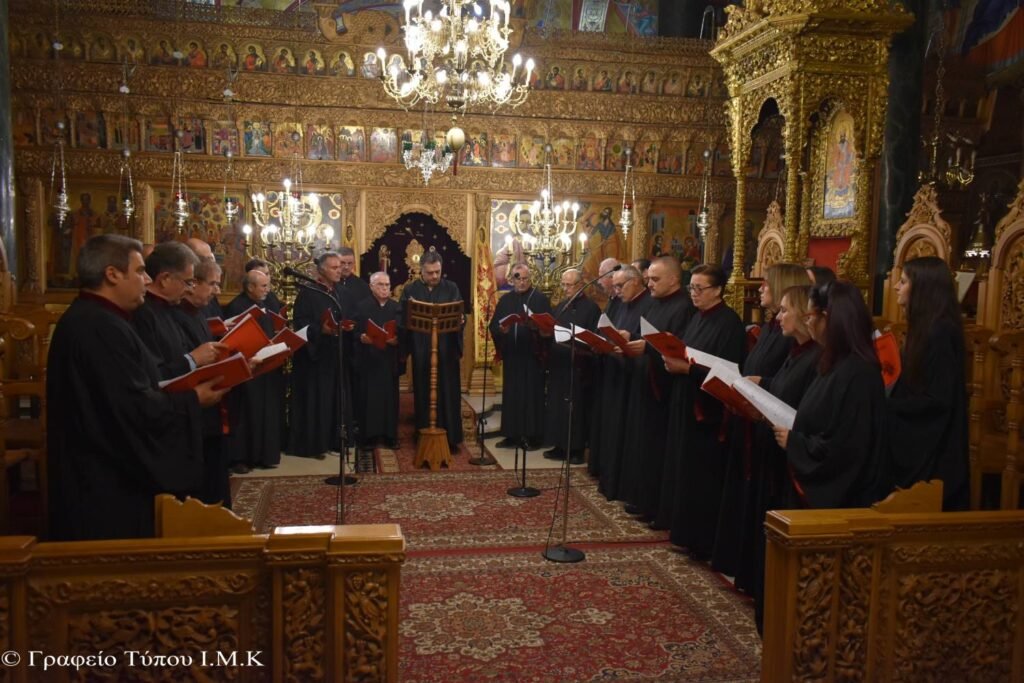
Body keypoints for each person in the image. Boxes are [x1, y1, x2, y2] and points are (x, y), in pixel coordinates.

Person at [47, 235, 227, 541]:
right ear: (112, 274)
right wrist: (193, 399)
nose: (147, 280)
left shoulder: (103, 319)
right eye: (140, 271)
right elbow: (133, 408)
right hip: (103, 482)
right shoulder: (98, 327)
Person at [712, 262, 807, 575]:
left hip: (771, 429)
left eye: (767, 283)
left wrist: (759, 385)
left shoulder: (789, 337)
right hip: (752, 422)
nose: (761, 287)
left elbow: (782, 384)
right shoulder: (771, 328)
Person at [744, 285, 822, 630]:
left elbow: (805, 407)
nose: (778, 316)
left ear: (806, 315)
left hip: (791, 458)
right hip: (776, 450)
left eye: (785, 310)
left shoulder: (817, 357)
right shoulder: (797, 350)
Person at [773, 281, 890, 508]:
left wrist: (795, 444)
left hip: (845, 503)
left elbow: (847, 447)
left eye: (809, 316)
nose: (808, 323)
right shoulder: (834, 363)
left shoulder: (858, 374)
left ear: (826, 318)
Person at [660, 265, 745, 558]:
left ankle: (701, 540)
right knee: (685, 471)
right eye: (691, 288)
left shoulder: (730, 323)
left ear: (718, 290)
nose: (693, 294)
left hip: (708, 413)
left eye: (700, 289)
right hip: (686, 402)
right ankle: (683, 533)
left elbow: (727, 371)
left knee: (702, 477)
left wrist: (687, 369)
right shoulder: (697, 317)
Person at [888, 256, 969, 510]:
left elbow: (938, 400)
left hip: (937, 447)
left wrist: (889, 407)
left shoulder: (940, 332)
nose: (895, 287)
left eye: (903, 282)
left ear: (922, 287)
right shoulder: (924, 328)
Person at [617, 257, 695, 520]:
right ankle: (640, 496)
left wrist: (646, 347)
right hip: (644, 381)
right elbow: (647, 335)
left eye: (655, 279)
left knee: (655, 447)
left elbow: (679, 347)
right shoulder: (654, 304)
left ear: (674, 280)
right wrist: (632, 339)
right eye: (648, 279)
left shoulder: (683, 307)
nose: (649, 284)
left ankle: (654, 505)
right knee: (640, 443)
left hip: (663, 387)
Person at [169, 257, 233, 506]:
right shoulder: (171, 315)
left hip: (208, 407)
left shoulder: (197, 313)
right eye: (214, 284)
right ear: (193, 284)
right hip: (188, 407)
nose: (217, 291)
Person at [596, 265, 654, 495]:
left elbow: (647, 340)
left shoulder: (648, 304)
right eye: (615, 285)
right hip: (617, 374)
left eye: (620, 285)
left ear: (636, 282)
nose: (616, 290)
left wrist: (630, 339)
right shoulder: (621, 303)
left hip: (635, 379)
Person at [399, 251, 465, 450]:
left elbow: (459, 315)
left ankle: (450, 438)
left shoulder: (451, 288)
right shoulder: (411, 290)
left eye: (437, 272)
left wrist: (462, 320)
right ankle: (424, 435)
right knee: (423, 390)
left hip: (445, 350)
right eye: (430, 273)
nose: (434, 276)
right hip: (421, 349)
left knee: (447, 391)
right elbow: (402, 319)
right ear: (421, 271)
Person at [132, 242, 226, 380]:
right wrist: (193, 359)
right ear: (165, 279)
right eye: (188, 282)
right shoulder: (143, 313)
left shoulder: (169, 308)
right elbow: (152, 375)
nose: (189, 289)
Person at [225, 269, 284, 471]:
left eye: (268, 285)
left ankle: (263, 455)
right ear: (250, 287)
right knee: (246, 413)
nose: (268, 290)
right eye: (263, 286)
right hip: (247, 366)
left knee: (264, 411)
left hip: (265, 365)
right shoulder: (237, 306)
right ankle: (242, 458)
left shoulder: (265, 304)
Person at [289, 251, 346, 459]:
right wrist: (320, 330)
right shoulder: (308, 293)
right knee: (315, 400)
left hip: (331, 354)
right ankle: (313, 444)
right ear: (321, 271)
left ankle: (331, 440)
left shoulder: (337, 292)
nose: (339, 270)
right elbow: (301, 325)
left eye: (340, 266)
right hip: (312, 358)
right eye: (334, 267)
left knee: (331, 398)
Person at [489, 264, 552, 449]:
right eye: (518, 278)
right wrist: (502, 330)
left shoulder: (540, 299)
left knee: (531, 397)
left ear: (530, 279)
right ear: (512, 280)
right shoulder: (505, 300)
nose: (522, 282)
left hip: (533, 357)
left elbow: (548, 327)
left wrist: (535, 328)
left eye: (525, 278)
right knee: (512, 396)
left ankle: (532, 437)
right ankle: (511, 435)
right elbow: (493, 327)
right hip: (513, 357)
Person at [543, 269, 600, 463]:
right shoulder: (560, 307)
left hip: (578, 366)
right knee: (558, 405)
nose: (566, 288)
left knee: (576, 408)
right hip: (559, 365)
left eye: (570, 285)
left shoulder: (591, 308)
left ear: (580, 284)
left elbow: (593, 337)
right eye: (564, 284)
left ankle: (576, 449)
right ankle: (560, 445)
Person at [353, 272, 402, 449]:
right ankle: (368, 437)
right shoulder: (361, 307)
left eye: (387, 285)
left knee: (390, 399)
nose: (384, 288)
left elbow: (404, 332)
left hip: (389, 360)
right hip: (369, 361)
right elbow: (354, 332)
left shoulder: (397, 307)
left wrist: (397, 340)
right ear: (371, 286)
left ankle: (390, 436)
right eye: (380, 285)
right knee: (369, 399)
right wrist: (361, 337)